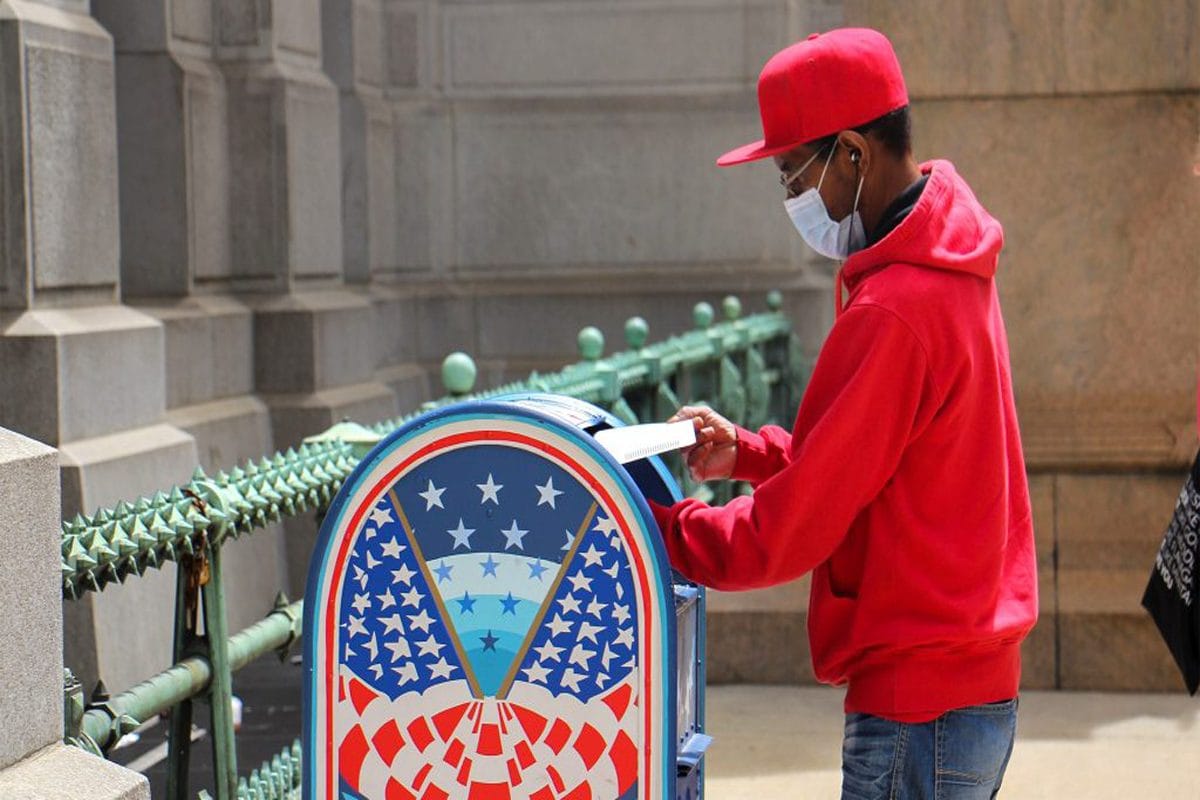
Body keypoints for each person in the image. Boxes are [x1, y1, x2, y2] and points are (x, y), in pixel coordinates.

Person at [650, 28, 1038, 799]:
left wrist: (650, 526)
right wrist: (757, 454)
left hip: (916, 706)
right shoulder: (948, 264)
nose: (793, 198)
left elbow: (788, 532)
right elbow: (889, 460)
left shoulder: (894, 308)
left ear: (855, 155)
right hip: (969, 686)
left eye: (794, 175)